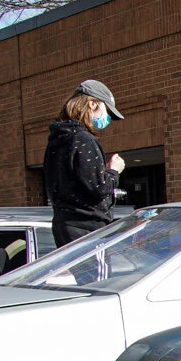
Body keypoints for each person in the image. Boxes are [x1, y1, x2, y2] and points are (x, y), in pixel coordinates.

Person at [44, 79, 126, 245]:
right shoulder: (83, 139)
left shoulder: (58, 139)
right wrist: (113, 171)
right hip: (87, 227)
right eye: (107, 111)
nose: (107, 118)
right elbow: (99, 188)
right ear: (92, 104)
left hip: (64, 223)